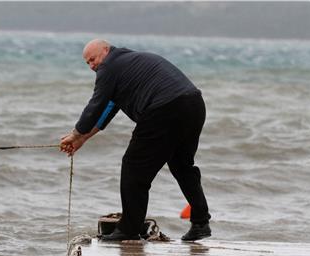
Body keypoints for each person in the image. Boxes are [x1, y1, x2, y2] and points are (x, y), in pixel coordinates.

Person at [60, 39, 211, 241]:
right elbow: (107, 109)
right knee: (183, 166)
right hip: (193, 104)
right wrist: (83, 139)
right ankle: (201, 223)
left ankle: (128, 229)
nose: (92, 66)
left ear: (106, 51)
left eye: (93, 59)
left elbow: (95, 105)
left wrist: (77, 132)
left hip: (164, 108)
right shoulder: (128, 64)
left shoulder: (109, 67)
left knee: (133, 167)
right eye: (87, 63)